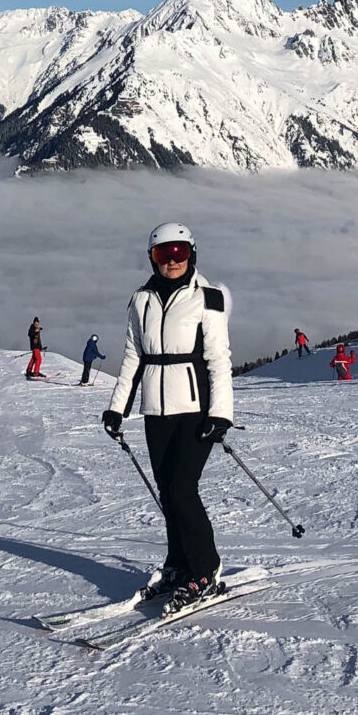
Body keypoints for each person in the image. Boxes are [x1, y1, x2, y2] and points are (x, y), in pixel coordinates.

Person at [102, 222, 233, 611]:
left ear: (192, 254)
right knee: (166, 491)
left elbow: (218, 360)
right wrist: (117, 406)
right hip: (155, 410)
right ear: (152, 258)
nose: (172, 261)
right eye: (163, 254)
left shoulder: (207, 298)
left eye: (179, 253)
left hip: (195, 409)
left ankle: (205, 568)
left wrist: (221, 414)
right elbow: (132, 357)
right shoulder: (140, 300)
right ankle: (178, 564)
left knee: (181, 489)